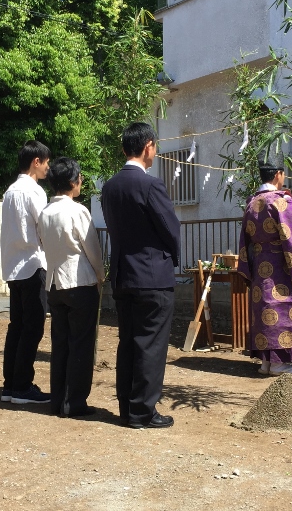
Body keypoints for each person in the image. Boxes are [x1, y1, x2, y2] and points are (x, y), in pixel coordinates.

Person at [101, 122, 181, 429]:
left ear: (124, 148)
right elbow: (170, 227)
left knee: (128, 342)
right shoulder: (151, 185)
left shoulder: (109, 187)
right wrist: (171, 258)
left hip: (123, 274)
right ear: (148, 146)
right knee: (151, 344)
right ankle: (144, 412)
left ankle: (127, 407)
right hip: (152, 276)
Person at [236, 158, 292, 376]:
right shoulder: (280, 202)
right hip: (280, 265)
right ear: (278, 175)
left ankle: (265, 362)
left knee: (265, 309)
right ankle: (279, 364)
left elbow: (245, 240)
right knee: (282, 310)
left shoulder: (251, 203)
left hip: (259, 264)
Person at [37, 158, 106, 418]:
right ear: (72, 181)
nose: (82, 181)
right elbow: (93, 250)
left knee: (61, 344)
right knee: (81, 345)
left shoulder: (45, 212)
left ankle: (58, 400)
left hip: (54, 283)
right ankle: (74, 402)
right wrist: (100, 276)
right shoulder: (78, 211)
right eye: (80, 177)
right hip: (79, 282)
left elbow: (43, 244)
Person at [0, 140, 52, 404]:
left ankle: (10, 384)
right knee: (32, 328)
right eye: (46, 162)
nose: (47, 167)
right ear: (36, 162)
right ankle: (22, 386)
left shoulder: (10, 192)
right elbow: (43, 228)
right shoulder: (34, 192)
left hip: (12, 267)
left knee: (17, 327)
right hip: (32, 265)